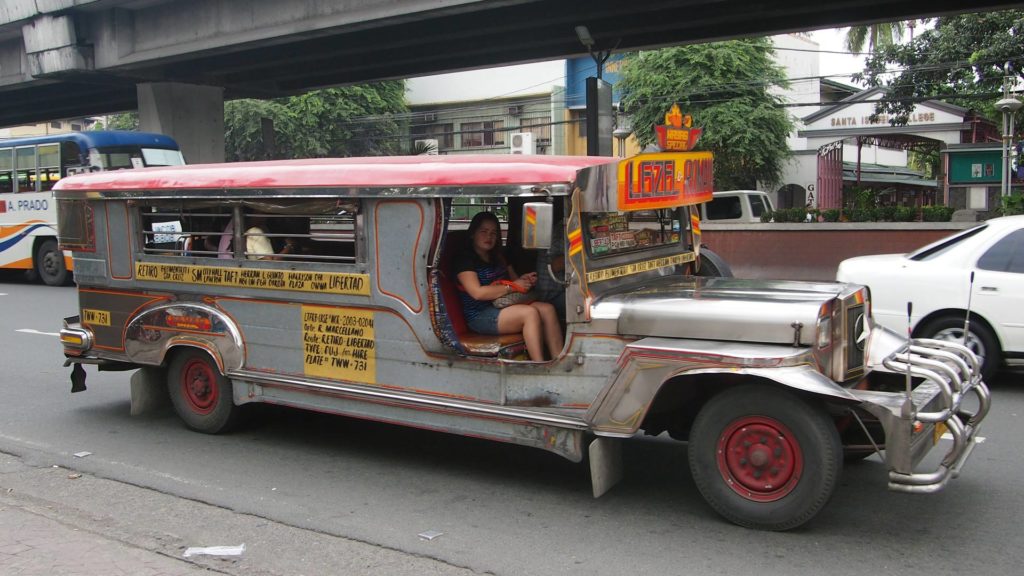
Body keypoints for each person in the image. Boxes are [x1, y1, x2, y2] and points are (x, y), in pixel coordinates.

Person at [454, 212, 563, 362]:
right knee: (529, 313)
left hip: (502, 306)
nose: (489, 237)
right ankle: (539, 365)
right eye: (484, 232)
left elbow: (513, 281)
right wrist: (513, 286)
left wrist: (523, 280)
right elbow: (477, 293)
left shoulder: (498, 256)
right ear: (473, 234)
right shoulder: (464, 260)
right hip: (480, 314)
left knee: (547, 309)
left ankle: (559, 361)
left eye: (493, 233)